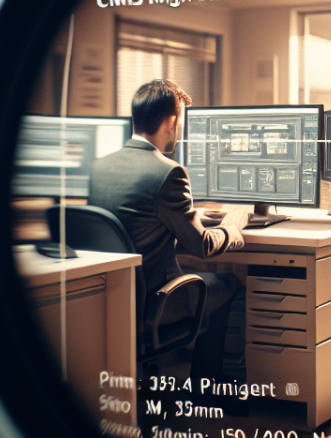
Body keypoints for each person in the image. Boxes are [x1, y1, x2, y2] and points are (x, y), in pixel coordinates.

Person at [88, 80, 247, 381]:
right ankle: (209, 392)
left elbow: (135, 221)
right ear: (172, 121)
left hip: (109, 300)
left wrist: (186, 215)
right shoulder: (168, 172)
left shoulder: (100, 167)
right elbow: (201, 246)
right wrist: (232, 228)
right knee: (230, 284)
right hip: (156, 300)